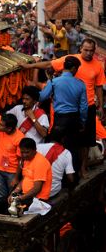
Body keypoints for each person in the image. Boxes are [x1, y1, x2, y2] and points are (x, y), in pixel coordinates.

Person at [24, 38, 104, 176]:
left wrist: (100, 107)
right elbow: (49, 63)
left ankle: (82, 169)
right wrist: (31, 66)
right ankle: (67, 170)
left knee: (85, 142)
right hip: (73, 111)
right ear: (80, 49)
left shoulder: (97, 66)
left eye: (91, 51)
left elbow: (98, 87)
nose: (89, 53)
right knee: (68, 142)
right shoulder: (71, 60)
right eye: (86, 50)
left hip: (87, 107)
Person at [38, 56, 89, 175]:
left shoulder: (54, 82)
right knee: (73, 148)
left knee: (56, 147)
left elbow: (42, 97)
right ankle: (73, 176)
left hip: (60, 119)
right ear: (73, 69)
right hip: (74, 119)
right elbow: (83, 108)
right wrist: (82, 121)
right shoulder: (80, 84)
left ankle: (56, 176)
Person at [13, 137, 52, 209]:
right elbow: (25, 178)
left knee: (12, 208)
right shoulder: (26, 159)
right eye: (22, 152)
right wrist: (14, 193)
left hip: (37, 199)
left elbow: (37, 189)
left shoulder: (40, 162)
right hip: (26, 195)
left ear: (34, 150)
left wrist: (20, 198)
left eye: (27, 152)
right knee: (2, 202)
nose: (24, 155)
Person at [37, 133, 75, 197]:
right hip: (52, 191)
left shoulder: (37, 147)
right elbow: (70, 177)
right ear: (62, 139)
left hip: (34, 189)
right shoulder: (66, 152)